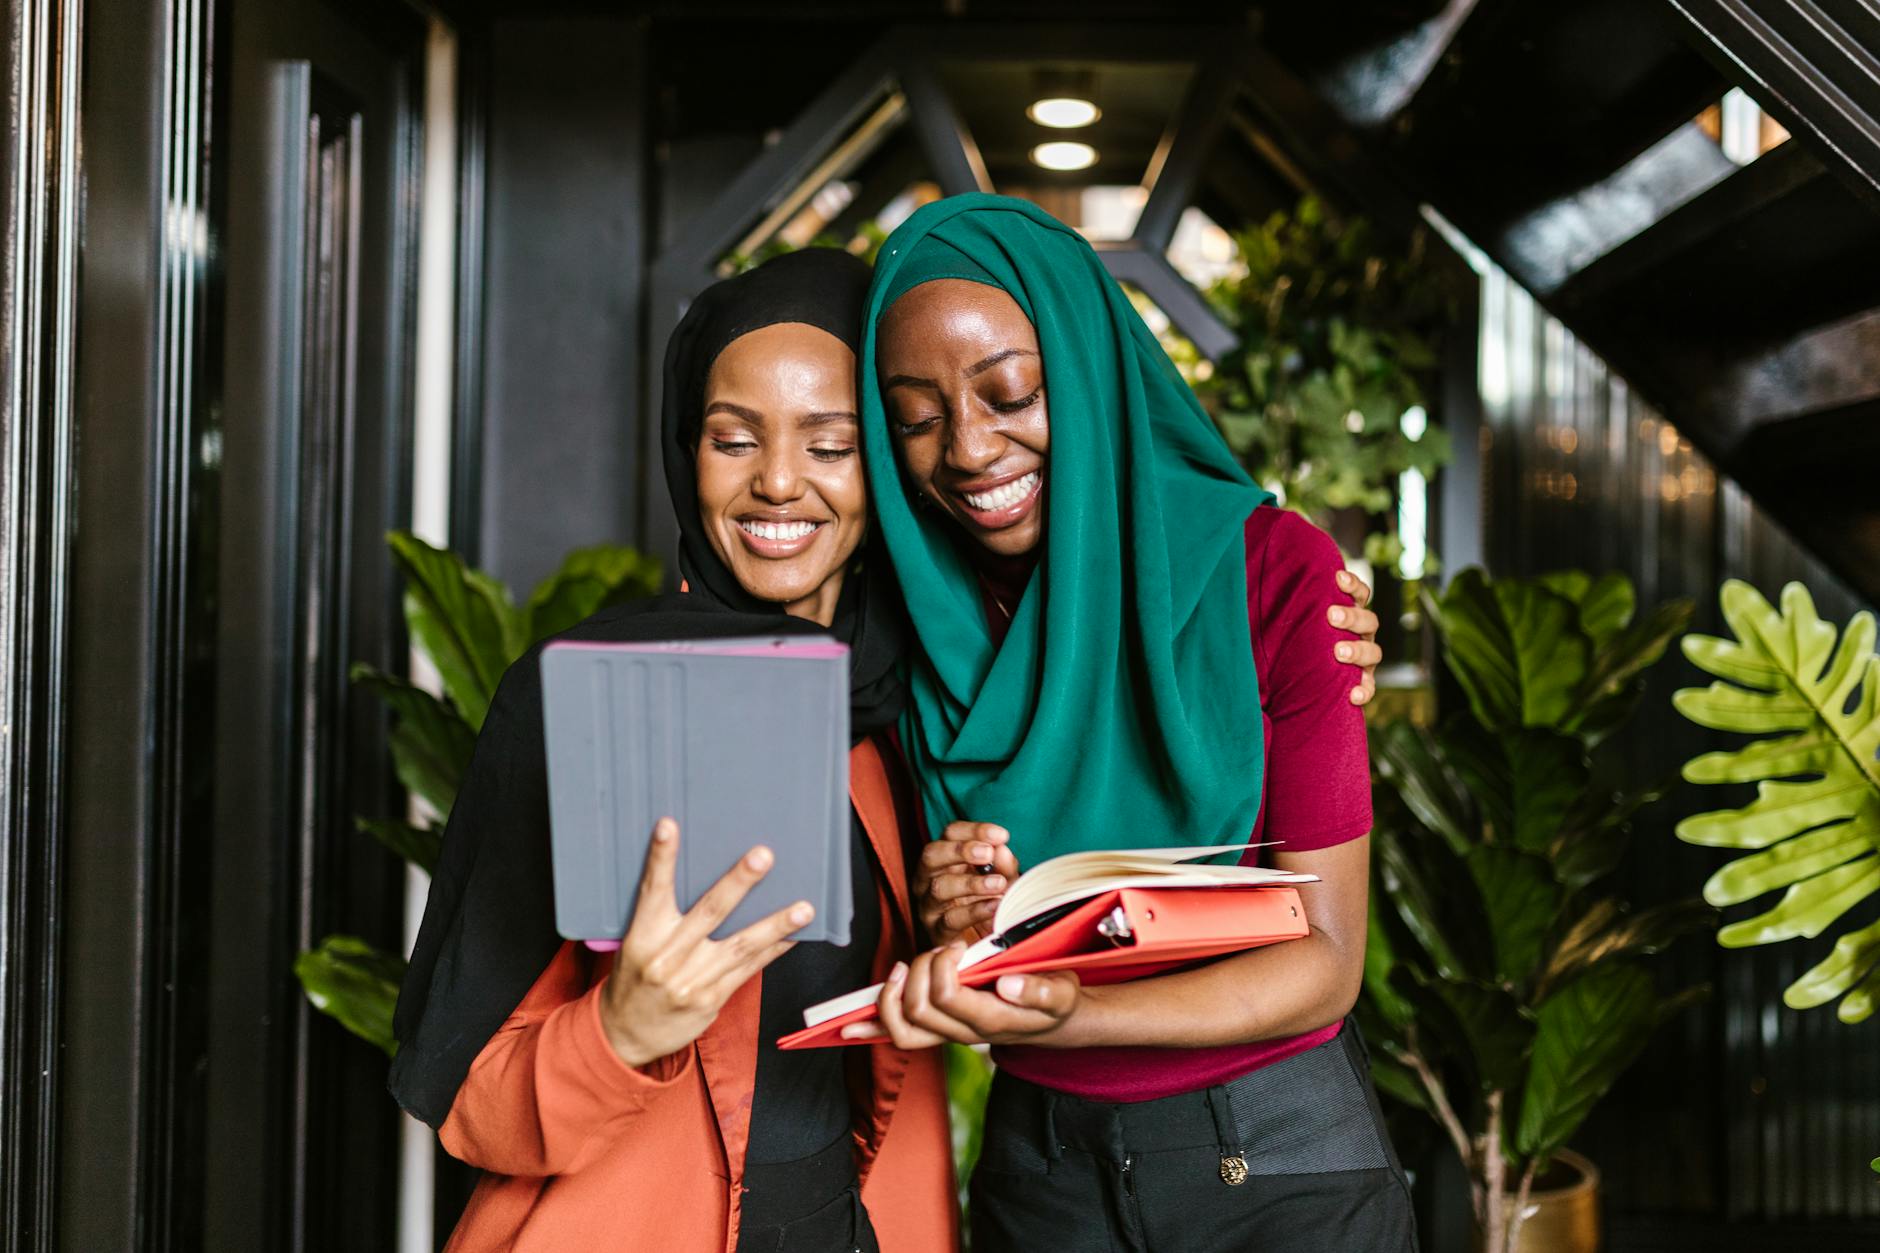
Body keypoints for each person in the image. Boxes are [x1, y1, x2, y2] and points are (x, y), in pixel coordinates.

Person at [851, 195, 1415, 1253]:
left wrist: (1073, 1014)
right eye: (916, 417)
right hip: (1041, 1173)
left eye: (1011, 393)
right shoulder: (910, 616)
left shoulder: (1270, 576)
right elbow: (950, 936)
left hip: (1275, 1165)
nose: (969, 450)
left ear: (1085, 364)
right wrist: (951, 912)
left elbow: (1326, 960)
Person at [389, 249, 955, 1253]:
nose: (777, 482)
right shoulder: (584, 694)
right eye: (733, 438)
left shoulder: (913, 702)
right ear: (684, 448)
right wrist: (620, 1029)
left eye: (830, 444)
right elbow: (465, 1098)